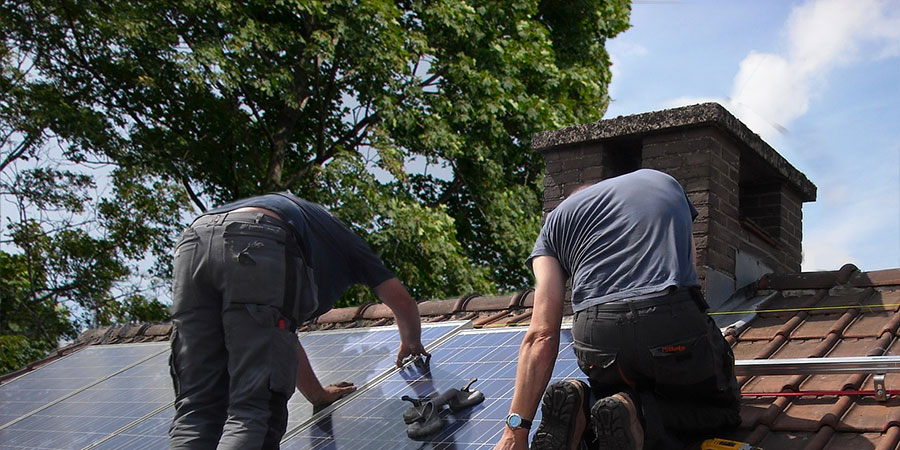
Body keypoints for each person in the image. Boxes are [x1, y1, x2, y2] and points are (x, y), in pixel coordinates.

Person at [494, 169, 741, 450]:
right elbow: (691, 280)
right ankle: (640, 417)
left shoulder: (555, 222)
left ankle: (585, 407)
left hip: (597, 337)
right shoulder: (662, 181)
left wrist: (516, 430)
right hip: (669, 317)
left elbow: (541, 334)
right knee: (723, 410)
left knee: (614, 393)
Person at [168, 192, 429, 449]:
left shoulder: (312, 231)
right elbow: (403, 302)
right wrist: (412, 341)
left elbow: (282, 336)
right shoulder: (349, 245)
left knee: (196, 411)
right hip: (257, 239)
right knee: (254, 412)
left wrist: (316, 394)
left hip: (192, 242)